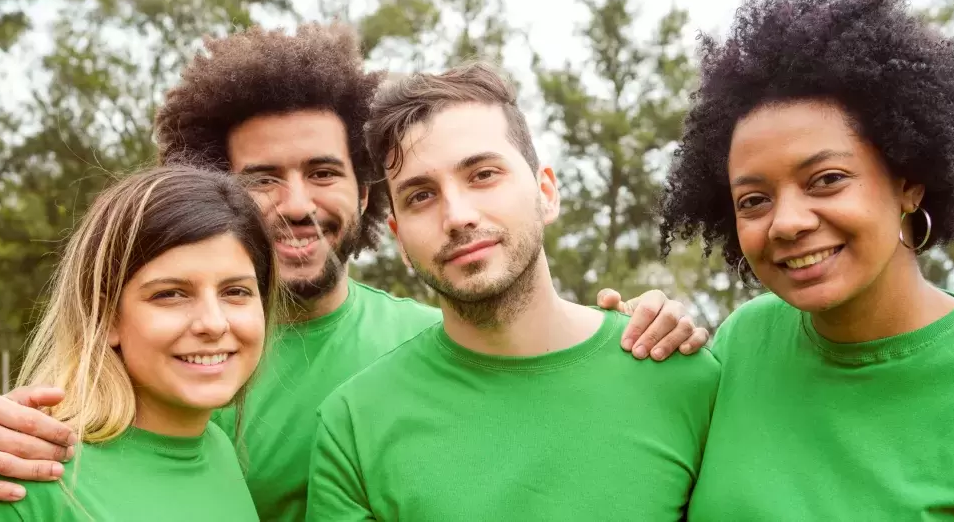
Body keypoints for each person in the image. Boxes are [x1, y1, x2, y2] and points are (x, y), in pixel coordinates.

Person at [0, 23, 711, 522]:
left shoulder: (419, 337)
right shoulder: (163, 367)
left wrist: (648, 316)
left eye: (323, 172)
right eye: (262, 178)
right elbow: (76, 447)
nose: (297, 204)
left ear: (368, 198)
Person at [654, 0, 954, 519]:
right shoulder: (744, 342)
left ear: (908, 182)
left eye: (827, 179)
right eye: (754, 199)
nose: (787, 223)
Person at [305, 61, 722, 520]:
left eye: (483, 174)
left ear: (546, 192)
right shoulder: (354, 424)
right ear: (399, 238)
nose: (458, 215)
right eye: (420, 195)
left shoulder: (685, 378)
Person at [0, 166, 276, 520]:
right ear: (107, 316)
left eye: (236, 292)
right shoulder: (28, 480)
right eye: (170, 294)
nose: (213, 323)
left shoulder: (219, 450)